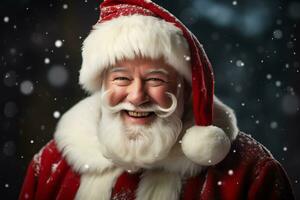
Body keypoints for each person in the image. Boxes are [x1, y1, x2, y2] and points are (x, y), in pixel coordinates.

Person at [19, 0, 295, 199]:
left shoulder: (250, 173)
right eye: (122, 79)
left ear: (186, 89)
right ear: (101, 84)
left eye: (155, 80)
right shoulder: (52, 165)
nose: (137, 96)